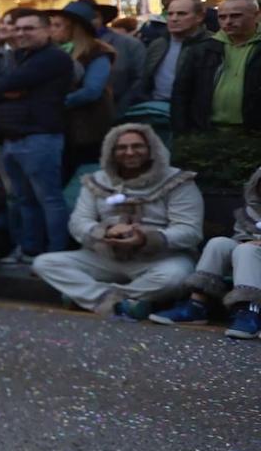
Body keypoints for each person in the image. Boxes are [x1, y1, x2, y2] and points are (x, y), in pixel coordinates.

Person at [32, 124, 203, 320]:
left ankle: (93, 297)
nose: (129, 153)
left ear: (152, 149)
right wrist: (105, 232)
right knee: (45, 263)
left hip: (160, 258)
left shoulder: (177, 181)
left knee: (175, 277)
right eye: (121, 148)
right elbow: (79, 221)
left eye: (137, 146)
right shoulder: (96, 180)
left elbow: (190, 230)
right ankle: (129, 302)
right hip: (106, 256)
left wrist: (145, 238)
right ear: (111, 152)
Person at [0, 7, 75, 260]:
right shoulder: (16, 58)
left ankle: (57, 255)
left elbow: (2, 85)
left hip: (40, 137)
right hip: (12, 137)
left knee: (49, 199)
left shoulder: (54, 58)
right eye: (19, 28)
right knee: (24, 199)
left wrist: (8, 88)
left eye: (30, 28)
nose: (22, 33)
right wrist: (11, 89)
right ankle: (30, 249)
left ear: (47, 30)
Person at [149, 164, 261, 339]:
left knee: (246, 250)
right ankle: (197, 305)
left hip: (251, 254)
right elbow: (241, 236)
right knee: (219, 244)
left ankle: (250, 310)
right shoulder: (252, 211)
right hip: (251, 255)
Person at [171, 0, 261, 138]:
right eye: (222, 17)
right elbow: (181, 94)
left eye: (236, 15)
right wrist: (183, 133)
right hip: (208, 133)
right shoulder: (203, 50)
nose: (228, 22)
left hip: (254, 135)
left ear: (256, 15)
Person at [51, 0, 116, 175]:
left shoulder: (98, 52)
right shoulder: (58, 51)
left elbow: (91, 91)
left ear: (74, 27)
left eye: (58, 25)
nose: (52, 30)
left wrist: (54, 103)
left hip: (88, 127)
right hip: (63, 127)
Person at [140, 0, 210, 130]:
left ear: (199, 17)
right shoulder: (158, 44)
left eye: (181, 14)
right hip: (156, 110)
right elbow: (145, 78)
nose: (174, 19)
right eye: (170, 14)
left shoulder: (211, 44)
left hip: (193, 115)